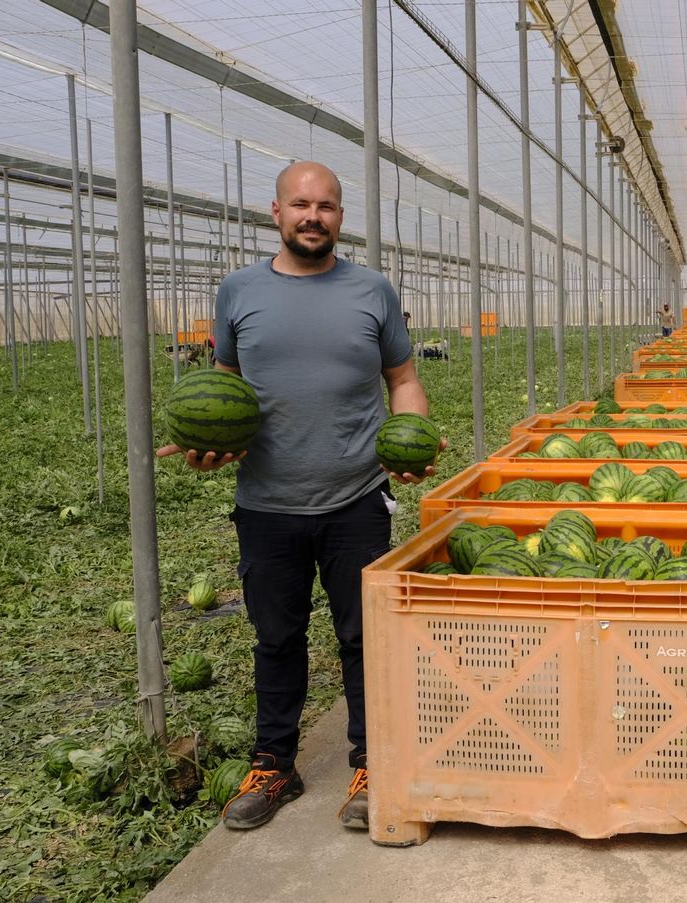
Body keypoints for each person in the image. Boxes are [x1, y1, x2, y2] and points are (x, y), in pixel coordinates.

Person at [158, 161, 441, 833]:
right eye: (301, 204)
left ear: (340, 217)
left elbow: (402, 377)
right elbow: (224, 386)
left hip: (356, 497)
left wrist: (413, 433)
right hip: (266, 502)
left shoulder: (373, 291)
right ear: (276, 212)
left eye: (327, 206)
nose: (313, 215)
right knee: (275, 638)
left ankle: (373, 762)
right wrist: (208, 444)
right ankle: (274, 763)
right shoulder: (237, 292)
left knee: (364, 638)